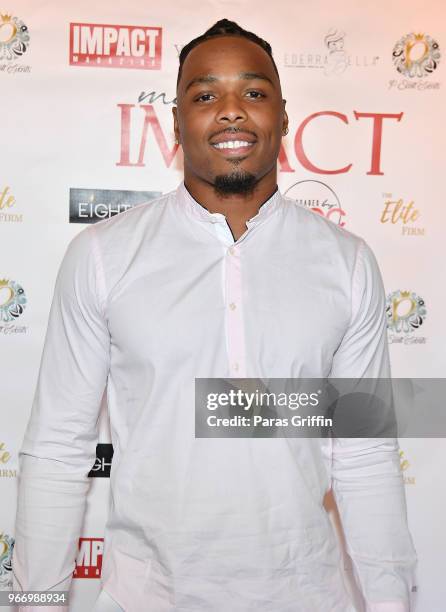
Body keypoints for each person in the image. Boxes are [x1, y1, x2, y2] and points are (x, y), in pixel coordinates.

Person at [12, 19, 417, 612]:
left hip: (306, 595)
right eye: (205, 96)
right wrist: (35, 605)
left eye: (253, 93)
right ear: (176, 122)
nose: (231, 112)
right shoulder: (103, 256)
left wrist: (391, 605)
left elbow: (364, 452)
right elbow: (57, 449)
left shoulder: (346, 262)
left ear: (284, 117)